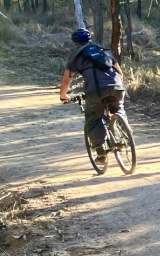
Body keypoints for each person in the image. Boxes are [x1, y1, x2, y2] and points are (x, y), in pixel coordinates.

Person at [59, 29, 127, 169]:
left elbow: (67, 79)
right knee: (118, 108)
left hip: (95, 91)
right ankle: (124, 131)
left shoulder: (76, 55)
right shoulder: (103, 50)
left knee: (93, 118)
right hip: (117, 87)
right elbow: (119, 72)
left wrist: (63, 95)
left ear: (75, 42)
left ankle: (101, 153)